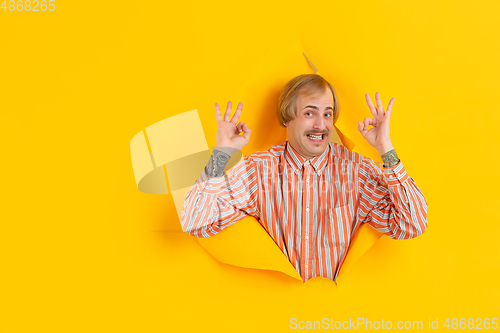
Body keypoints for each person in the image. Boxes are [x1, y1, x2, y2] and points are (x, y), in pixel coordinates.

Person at [181, 74, 428, 283]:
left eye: (328, 114)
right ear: (287, 118)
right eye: (310, 113)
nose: (321, 125)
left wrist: (386, 150)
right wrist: (221, 155)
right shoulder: (259, 171)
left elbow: (412, 225)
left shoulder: (357, 171)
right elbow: (195, 222)